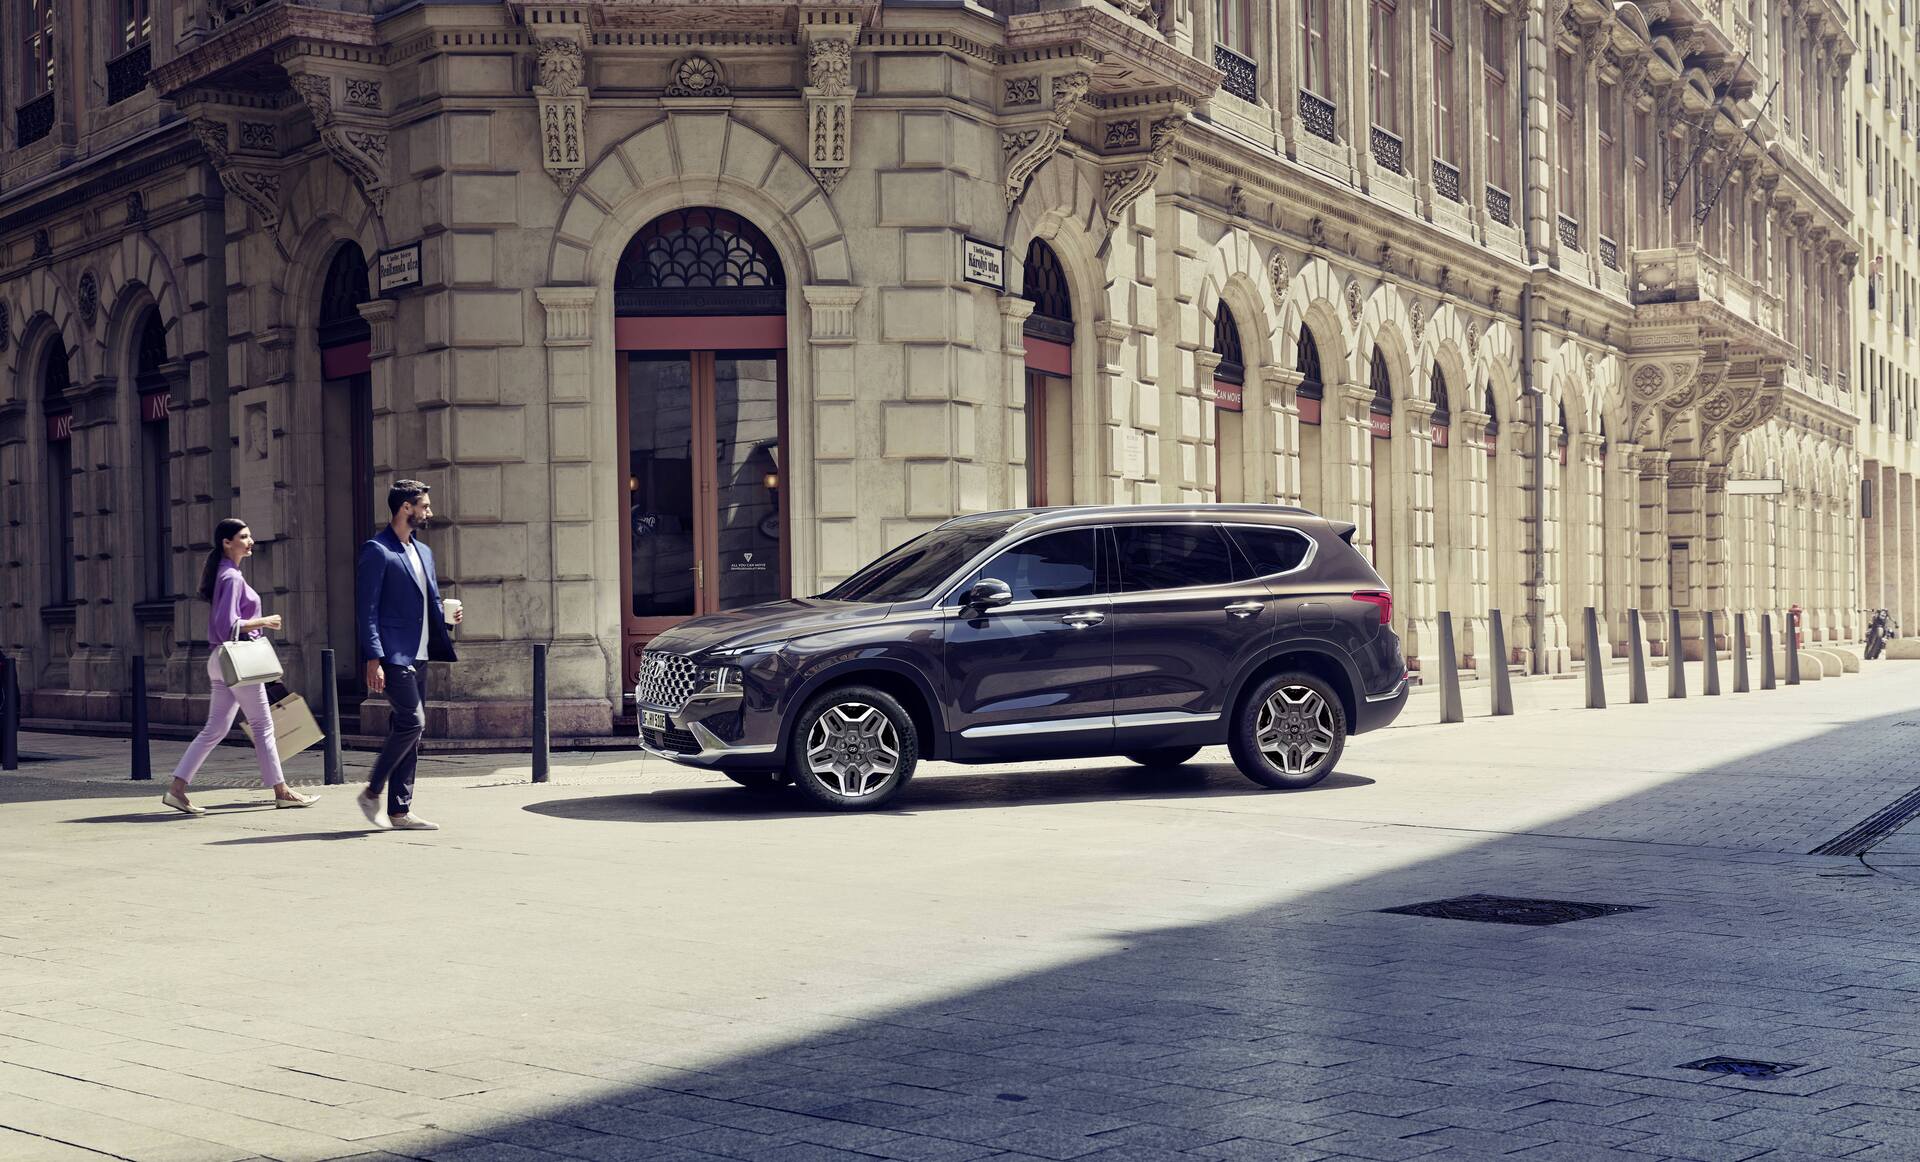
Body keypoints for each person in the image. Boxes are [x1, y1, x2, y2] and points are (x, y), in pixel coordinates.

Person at [161, 519, 319, 815]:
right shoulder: (231, 577)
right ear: (227, 543)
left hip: (221, 661)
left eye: (250, 536)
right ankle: (282, 792)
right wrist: (265, 621)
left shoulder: (226, 573)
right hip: (238, 659)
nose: (251, 542)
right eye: (244, 537)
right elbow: (226, 626)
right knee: (262, 725)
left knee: (215, 728)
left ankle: (177, 790)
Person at [355, 479, 461, 831]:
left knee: (409, 730)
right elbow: (367, 609)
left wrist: (448, 617)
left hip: (421, 652)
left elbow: (426, 600)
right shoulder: (377, 550)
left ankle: (400, 810)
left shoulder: (424, 552)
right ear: (406, 508)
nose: (429, 511)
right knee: (414, 722)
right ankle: (372, 792)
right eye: (424, 505)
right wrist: (374, 658)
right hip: (393, 653)